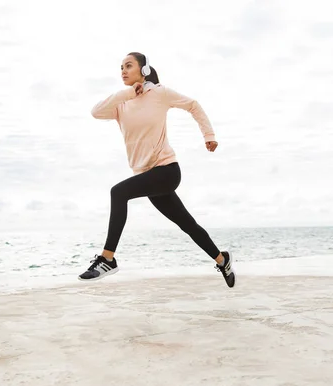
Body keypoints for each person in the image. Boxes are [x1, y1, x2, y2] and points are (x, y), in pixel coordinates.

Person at [77, 52, 236, 288]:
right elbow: (96, 112)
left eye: (129, 66)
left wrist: (209, 135)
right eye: (121, 67)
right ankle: (223, 260)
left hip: (167, 171)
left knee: (118, 192)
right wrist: (129, 92)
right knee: (187, 225)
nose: (123, 70)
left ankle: (107, 258)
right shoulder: (121, 104)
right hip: (147, 177)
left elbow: (193, 105)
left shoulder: (159, 93)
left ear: (143, 70)